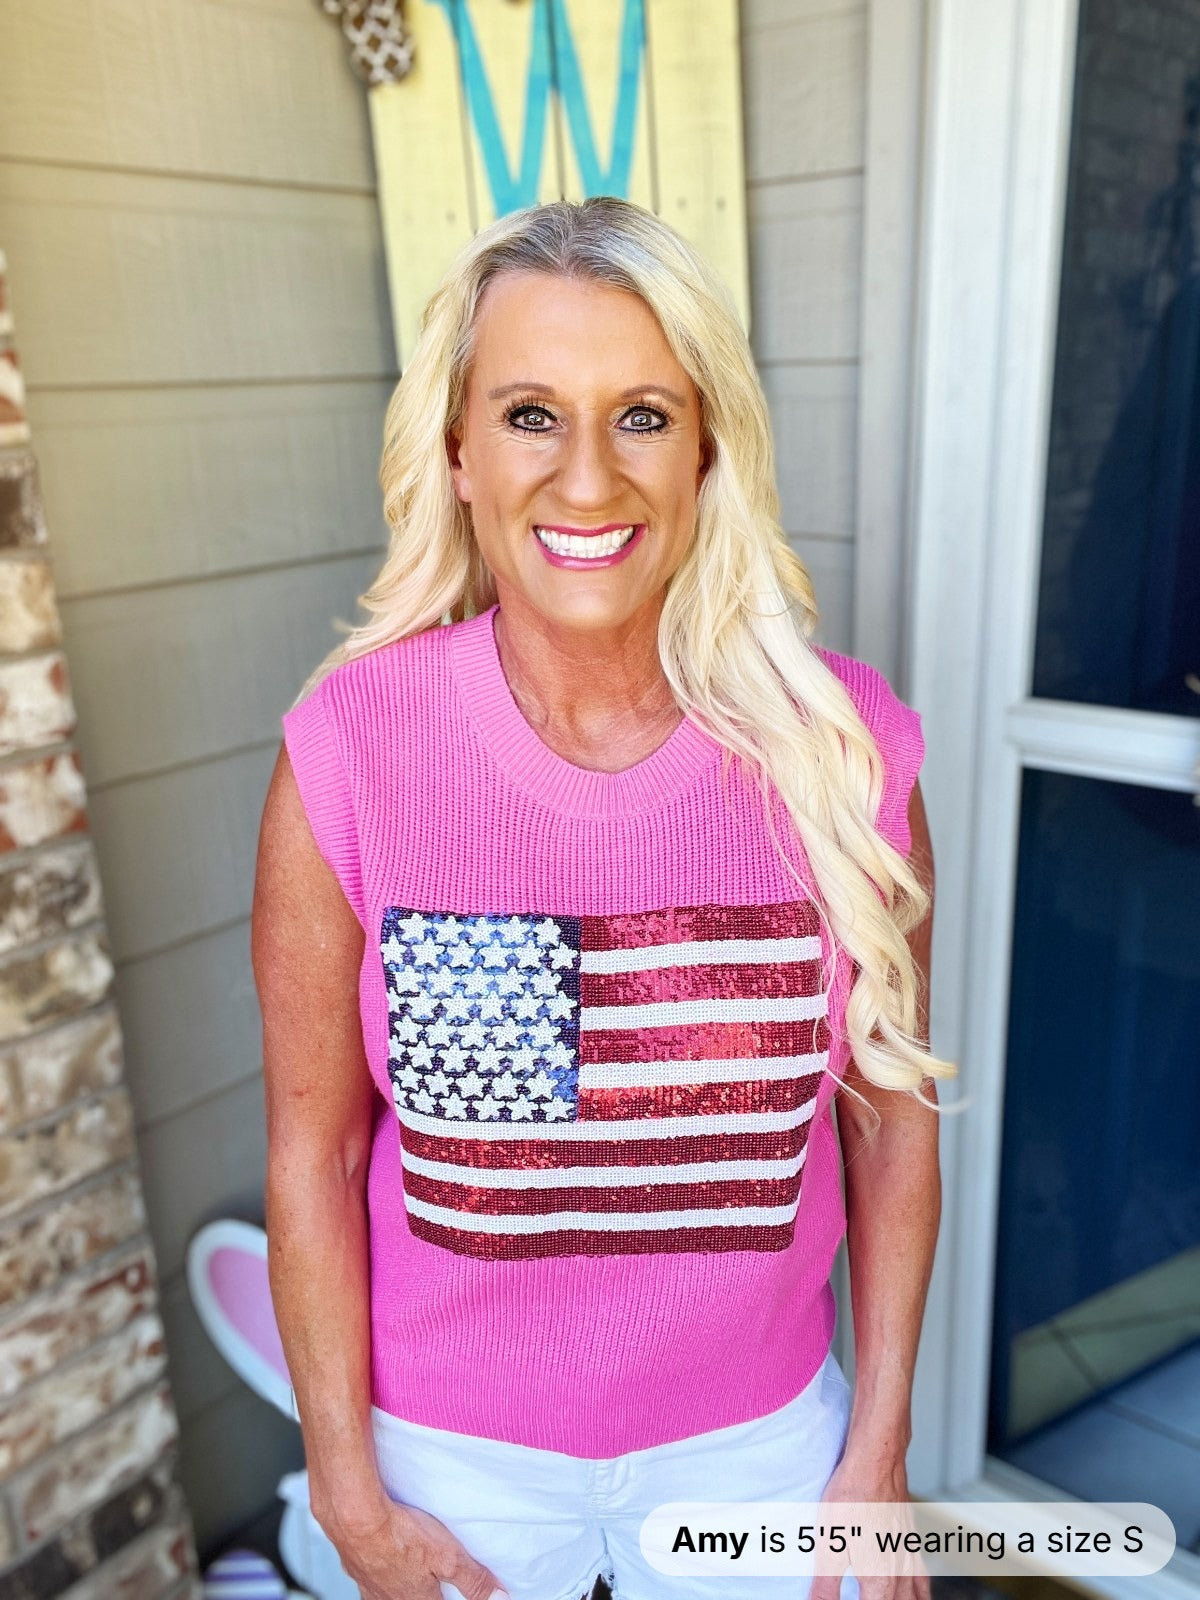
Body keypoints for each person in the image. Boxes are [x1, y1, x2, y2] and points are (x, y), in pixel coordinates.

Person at [251, 195, 956, 1600]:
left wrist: (876, 1460)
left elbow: (888, 1132)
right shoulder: (351, 754)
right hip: (446, 1466)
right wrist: (347, 1490)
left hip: (763, 1459)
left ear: (708, 450)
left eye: (642, 414)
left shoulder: (844, 755)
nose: (587, 479)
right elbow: (316, 1159)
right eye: (528, 414)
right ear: (456, 452)